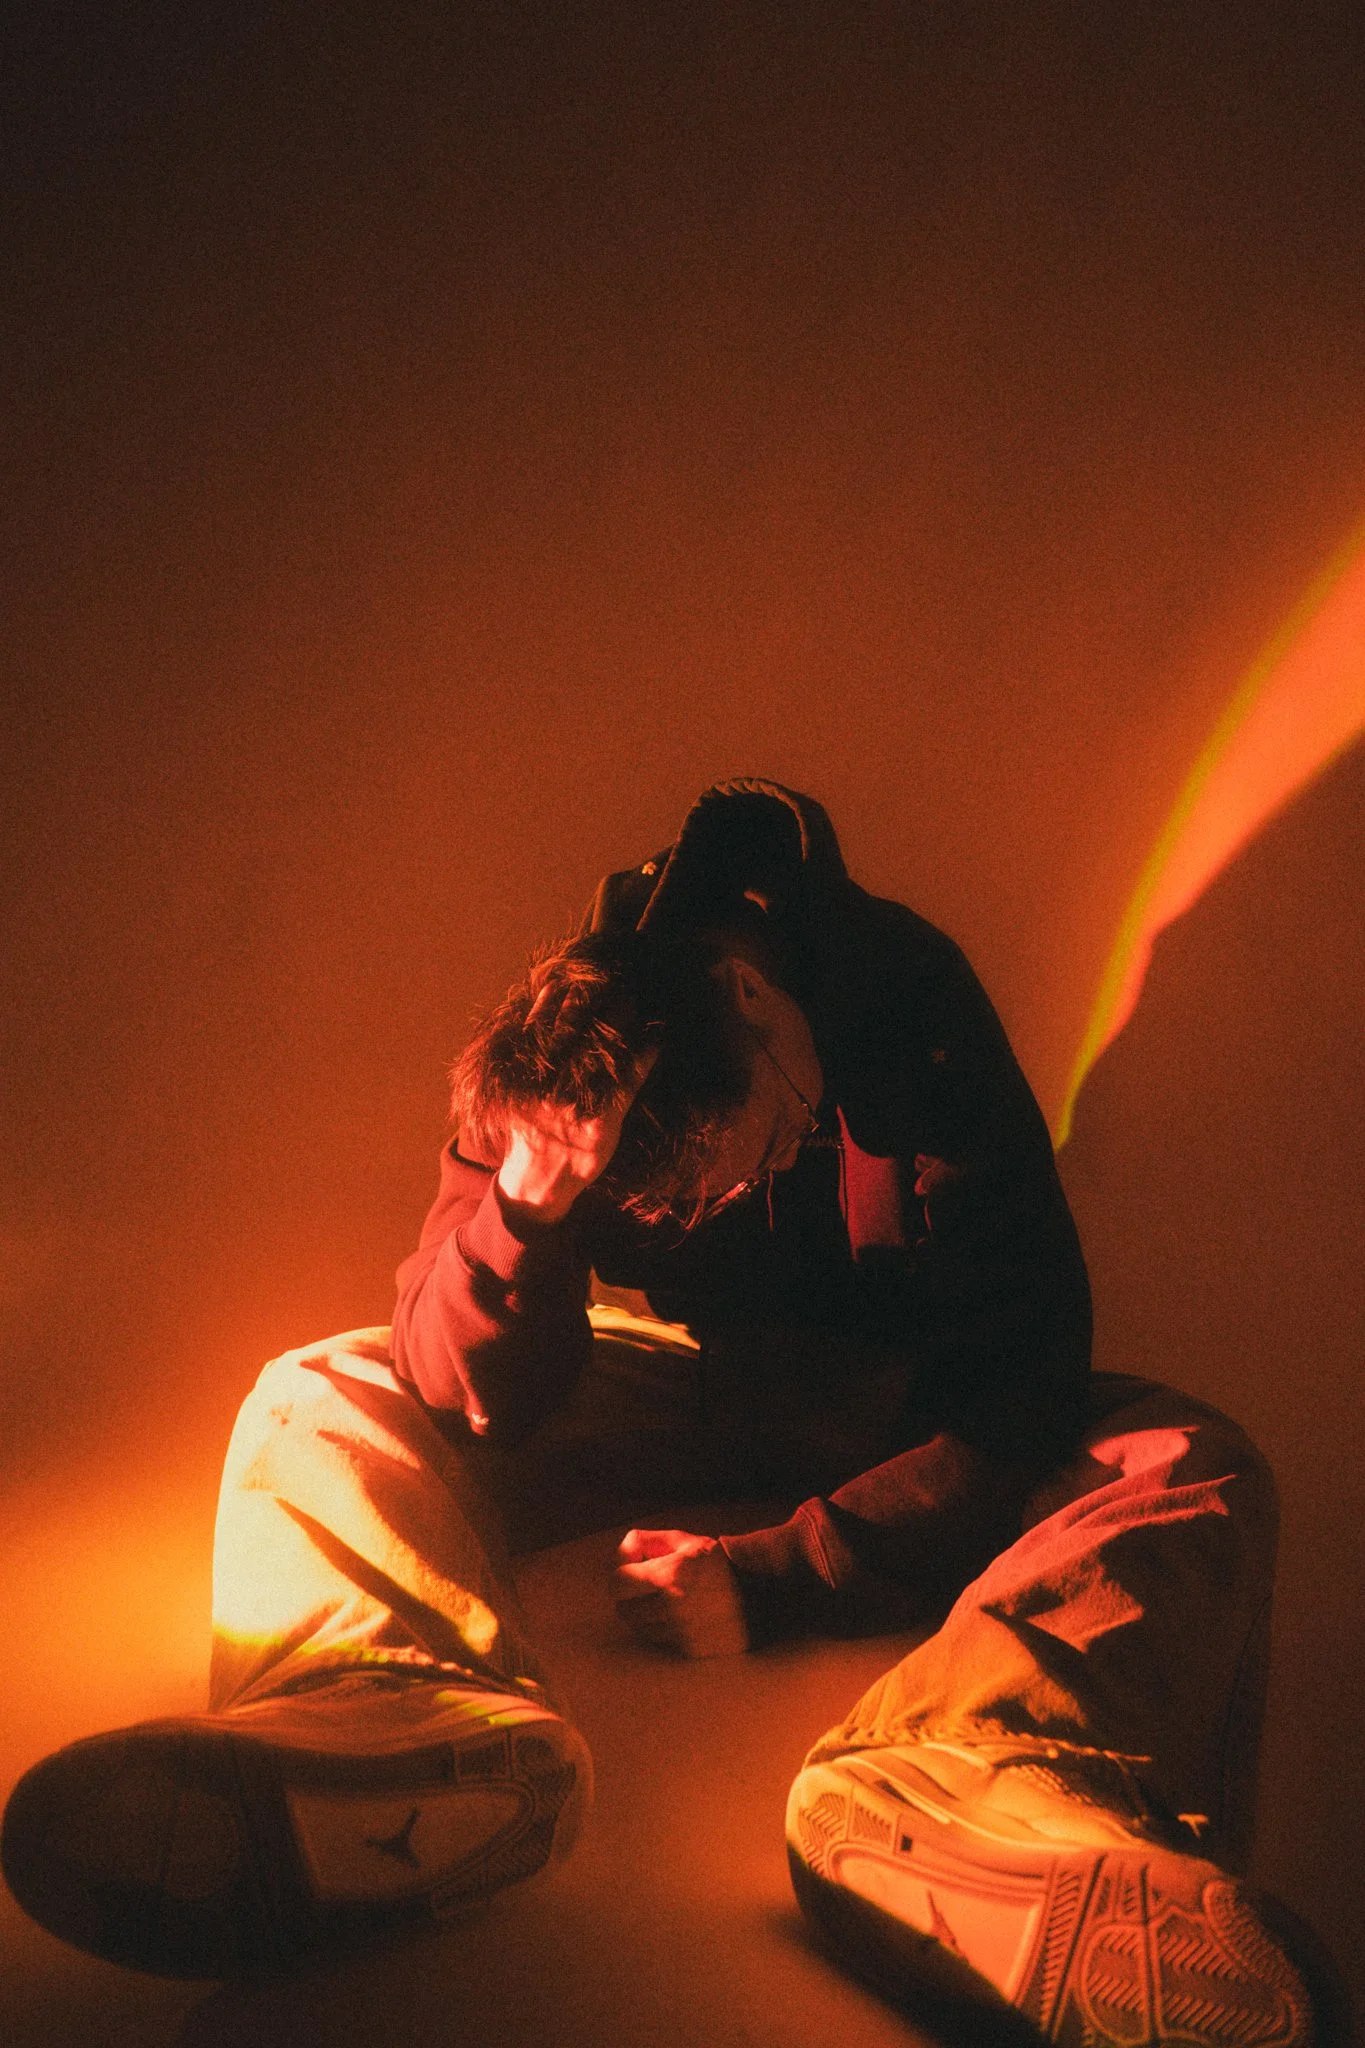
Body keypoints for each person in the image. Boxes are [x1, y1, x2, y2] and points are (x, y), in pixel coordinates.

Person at [1, 781, 1317, 2044]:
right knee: (318, 1391)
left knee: (1189, 1462)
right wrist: (525, 1203)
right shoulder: (562, 1053)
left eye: (737, 1156)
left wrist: (783, 1572)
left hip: (891, 1404)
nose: (726, 1204)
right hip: (671, 1377)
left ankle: (978, 1787)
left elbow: (1020, 1380)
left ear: (755, 997)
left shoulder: (910, 1005)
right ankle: (394, 1714)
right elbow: (462, 1388)